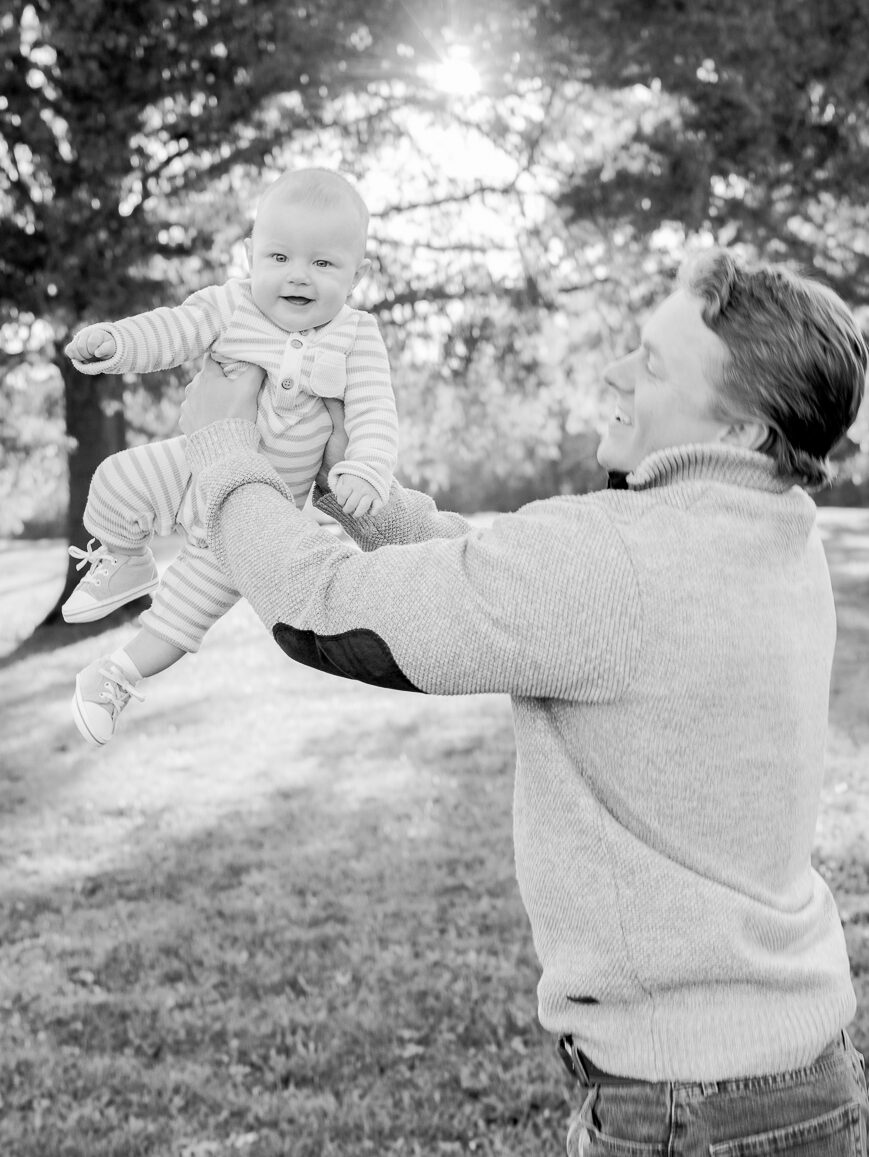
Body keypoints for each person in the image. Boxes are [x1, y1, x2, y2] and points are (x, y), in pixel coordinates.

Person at [179, 247, 869, 1154]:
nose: (615, 370)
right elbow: (509, 581)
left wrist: (223, 454)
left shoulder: (611, 560)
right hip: (804, 1075)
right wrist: (364, 487)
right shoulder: (775, 531)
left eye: (652, 363)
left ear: (741, 430)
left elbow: (326, 612)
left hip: (685, 1107)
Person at [62, 168, 398, 746]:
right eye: (279, 257)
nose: (298, 276)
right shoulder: (231, 305)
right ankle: (124, 557)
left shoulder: (357, 335)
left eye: (323, 264)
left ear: (356, 274)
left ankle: (114, 674)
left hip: (256, 512)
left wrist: (365, 469)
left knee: (187, 609)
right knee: (115, 480)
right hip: (192, 466)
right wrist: (117, 343)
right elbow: (174, 330)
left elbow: (374, 413)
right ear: (249, 256)